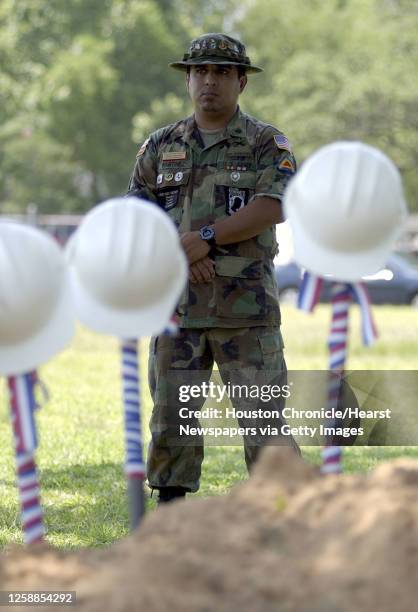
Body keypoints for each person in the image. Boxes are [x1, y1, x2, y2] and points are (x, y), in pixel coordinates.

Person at [127, 33, 300, 504]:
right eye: (200, 71)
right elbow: (138, 218)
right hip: (177, 312)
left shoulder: (267, 142)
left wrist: (204, 242)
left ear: (242, 82)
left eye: (222, 72)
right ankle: (171, 521)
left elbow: (272, 206)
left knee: (264, 421)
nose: (210, 80)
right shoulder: (159, 147)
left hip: (246, 314)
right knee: (170, 420)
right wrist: (184, 256)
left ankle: (292, 522)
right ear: (187, 79)